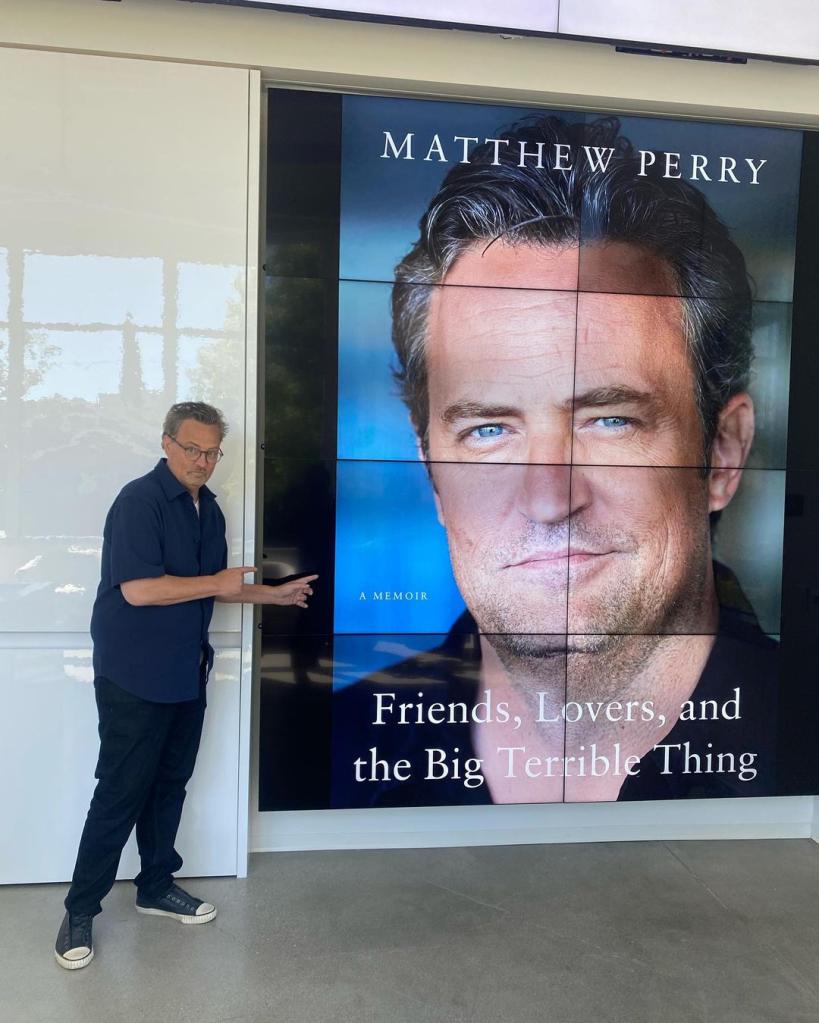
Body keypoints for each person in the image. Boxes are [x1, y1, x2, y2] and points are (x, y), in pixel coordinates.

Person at [332, 116, 778, 809]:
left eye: (609, 419)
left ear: (721, 452)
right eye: (487, 430)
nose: (547, 497)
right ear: (432, 475)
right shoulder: (330, 746)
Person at [55, 402, 317, 970]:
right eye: (194, 448)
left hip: (184, 669)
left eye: (213, 451)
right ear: (168, 443)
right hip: (133, 672)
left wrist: (273, 595)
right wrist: (216, 582)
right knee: (122, 790)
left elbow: (211, 588)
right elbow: (139, 591)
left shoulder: (209, 510)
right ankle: (80, 911)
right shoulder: (139, 501)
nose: (204, 461)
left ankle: (155, 886)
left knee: (171, 783)